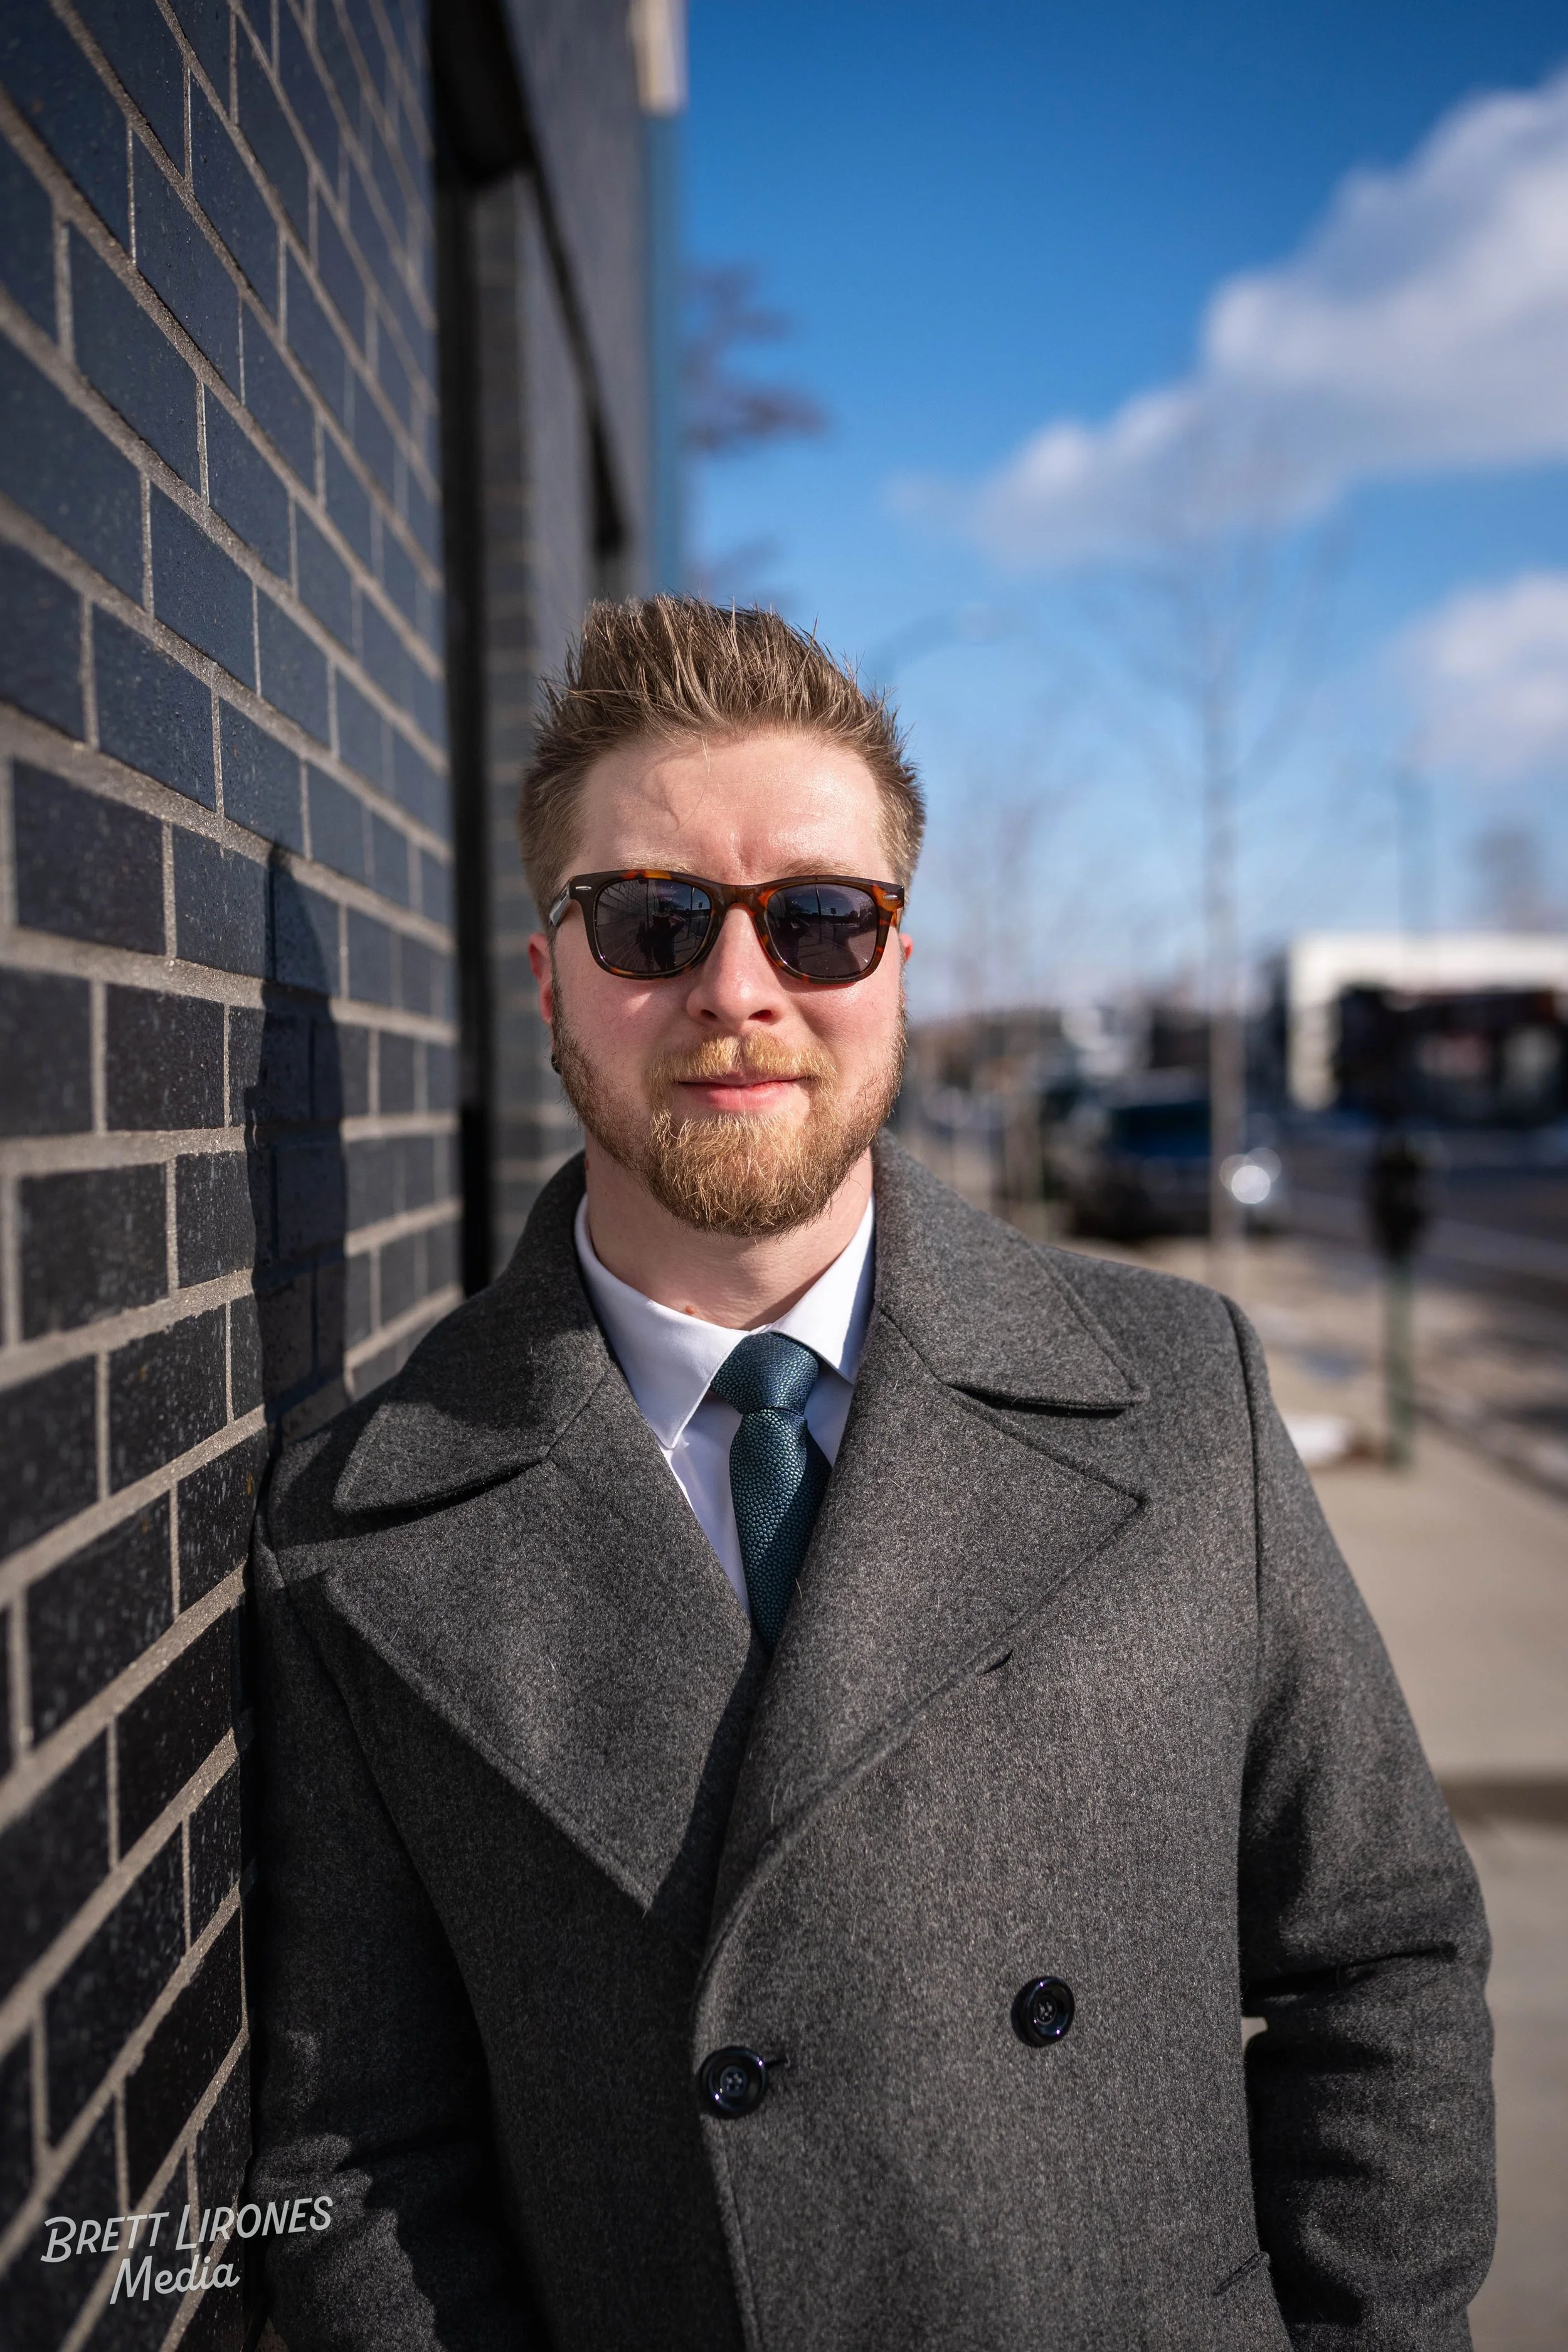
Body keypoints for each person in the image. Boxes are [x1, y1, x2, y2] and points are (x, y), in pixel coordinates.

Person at [248, 599, 1494, 2352]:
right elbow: (349, 2150)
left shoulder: (1173, 1391)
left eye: (820, 919)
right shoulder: (353, 1534)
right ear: (550, 979)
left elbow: (1378, 1956)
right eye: (651, 919)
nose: (737, 989)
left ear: (900, 961)